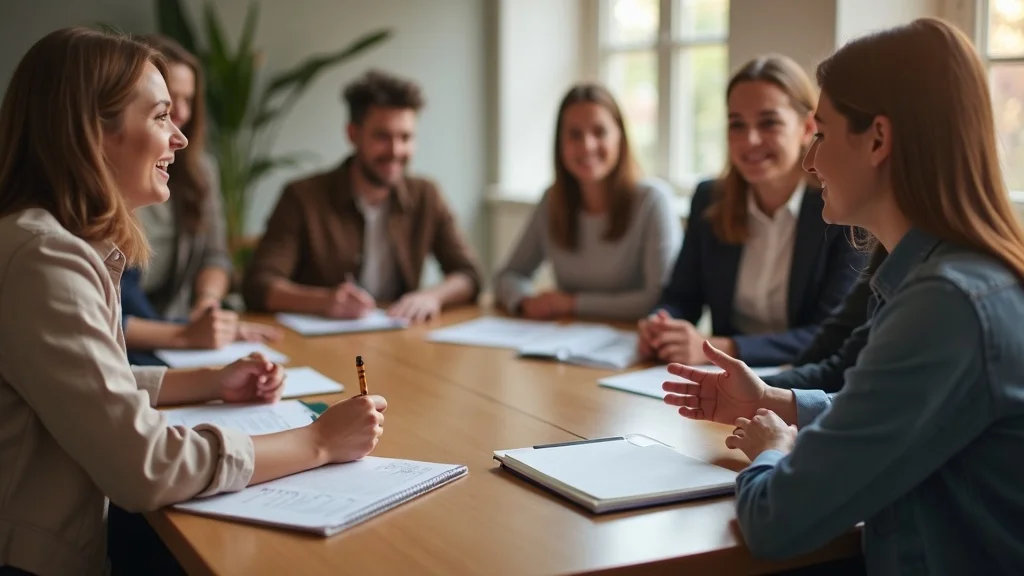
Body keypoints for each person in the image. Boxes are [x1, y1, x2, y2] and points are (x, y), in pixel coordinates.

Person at [0, 28, 386, 576]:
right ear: (93, 132)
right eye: (160, 117)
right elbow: (144, 465)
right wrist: (318, 441)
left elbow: (82, 385)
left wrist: (207, 382)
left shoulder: (53, 243)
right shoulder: (45, 259)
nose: (180, 138)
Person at [663, 18, 1024, 574]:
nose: (810, 160)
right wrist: (771, 400)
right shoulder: (942, 273)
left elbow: (776, 520)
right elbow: (900, 412)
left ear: (878, 139)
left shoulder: (945, 304)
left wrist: (770, 452)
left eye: (823, 133)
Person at [639, 54, 864, 368]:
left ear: (807, 127)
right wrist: (660, 325)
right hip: (724, 381)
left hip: (804, 383)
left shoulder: (843, 208)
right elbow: (681, 297)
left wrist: (720, 347)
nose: (750, 140)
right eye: (737, 125)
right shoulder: (710, 199)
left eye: (769, 122)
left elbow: (832, 333)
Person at [243, 69, 483, 323]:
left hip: (399, 340)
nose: (396, 151)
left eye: (406, 137)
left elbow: (468, 274)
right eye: (382, 136)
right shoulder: (303, 197)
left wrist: (432, 296)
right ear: (353, 134)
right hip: (321, 344)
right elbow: (258, 285)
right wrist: (324, 301)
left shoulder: (426, 195)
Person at [120, 35, 279, 363]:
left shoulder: (200, 170)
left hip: (178, 337)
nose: (180, 113)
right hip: (141, 346)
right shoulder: (114, 185)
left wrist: (207, 308)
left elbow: (215, 257)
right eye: (167, 103)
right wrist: (184, 334)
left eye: (188, 100)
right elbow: (103, 321)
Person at [494, 84, 682, 321]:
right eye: (574, 135)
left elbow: (659, 299)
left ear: (620, 137)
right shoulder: (553, 200)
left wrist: (572, 304)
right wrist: (525, 300)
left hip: (634, 345)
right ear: (560, 144)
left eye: (599, 132)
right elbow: (508, 276)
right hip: (564, 341)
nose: (587, 145)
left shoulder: (653, 201)